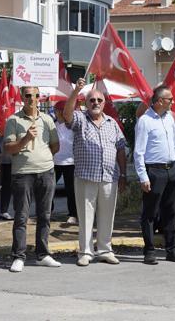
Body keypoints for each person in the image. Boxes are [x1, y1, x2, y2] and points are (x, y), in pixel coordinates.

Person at [64, 78, 128, 267]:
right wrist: (76, 91)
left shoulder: (112, 123)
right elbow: (67, 115)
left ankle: (105, 250)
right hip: (86, 176)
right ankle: (85, 252)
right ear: (85, 103)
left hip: (109, 177)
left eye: (99, 100)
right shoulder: (80, 119)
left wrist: (123, 174)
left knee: (107, 215)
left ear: (104, 103)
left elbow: (121, 149)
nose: (96, 103)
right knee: (85, 217)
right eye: (92, 100)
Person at [4, 86, 61, 272]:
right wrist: (26, 139)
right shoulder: (13, 120)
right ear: (22, 97)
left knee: (45, 215)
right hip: (22, 173)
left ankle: (43, 254)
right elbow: (9, 149)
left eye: (34, 96)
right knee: (21, 216)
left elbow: (55, 145)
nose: (31, 99)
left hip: (46, 172)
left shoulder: (47, 119)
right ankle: (19, 256)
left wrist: (42, 157)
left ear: (39, 98)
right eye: (27, 95)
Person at [133, 85, 175, 265]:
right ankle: (149, 251)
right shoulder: (145, 121)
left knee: (170, 212)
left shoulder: (171, 119)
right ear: (159, 101)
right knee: (150, 213)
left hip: (171, 170)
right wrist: (143, 176)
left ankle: (172, 250)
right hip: (154, 171)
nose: (172, 101)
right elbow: (138, 152)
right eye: (169, 99)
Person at [53, 100, 78, 225]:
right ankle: (49, 212)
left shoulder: (72, 126)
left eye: (60, 111)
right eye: (56, 111)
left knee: (71, 190)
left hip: (70, 162)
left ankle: (73, 214)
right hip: (54, 162)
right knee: (49, 188)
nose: (58, 113)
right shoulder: (52, 125)